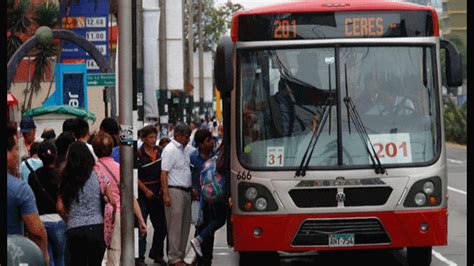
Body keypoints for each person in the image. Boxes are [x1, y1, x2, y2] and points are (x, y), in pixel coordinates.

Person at [57, 141, 116, 266]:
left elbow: (60, 207)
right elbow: (112, 201)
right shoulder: (99, 174)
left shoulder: (66, 176)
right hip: (97, 228)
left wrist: (69, 219)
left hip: (75, 228)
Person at [92, 131, 147, 266]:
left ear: (94, 149)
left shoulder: (93, 170)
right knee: (117, 253)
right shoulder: (121, 168)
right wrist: (141, 220)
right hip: (120, 213)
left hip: (100, 215)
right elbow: (130, 196)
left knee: (104, 255)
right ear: (111, 149)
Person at [7, 124, 50, 265]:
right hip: (12, 255)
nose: (17, 154)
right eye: (15, 150)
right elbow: (36, 232)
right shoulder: (19, 189)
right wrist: (43, 257)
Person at [28, 140, 66, 266]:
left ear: (39, 156)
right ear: (55, 155)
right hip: (59, 220)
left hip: (40, 221)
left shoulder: (33, 177)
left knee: (47, 259)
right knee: (61, 257)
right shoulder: (61, 175)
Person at [161, 122, 193, 266]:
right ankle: (174, 257)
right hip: (174, 191)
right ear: (178, 135)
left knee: (185, 225)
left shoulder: (185, 150)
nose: (188, 139)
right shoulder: (170, 150)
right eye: (186, 136)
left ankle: (180, 255)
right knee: (175, 226)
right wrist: (166, 195)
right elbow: (164, 173)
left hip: (186, 191)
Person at [136, 125, 168, 265]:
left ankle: (157, 253)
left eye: (154, 137)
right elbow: (134, 176)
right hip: (143, 195)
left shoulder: (161, 152)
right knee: (141, 225)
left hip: (158, 193)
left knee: (161, 226)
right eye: (150, 137)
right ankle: (139, 257)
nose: (153, 140)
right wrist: (145, 190)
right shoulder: (138, 154)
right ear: (143, 138)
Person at [186, 129, 217, 265]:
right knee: (201, 226)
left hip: (214, 198)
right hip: (200, 200)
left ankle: (207, 259)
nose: (212, 142)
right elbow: (188, 175)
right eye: (208, 140)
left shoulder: (216, 156)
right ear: (201, 144)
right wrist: (193, 188)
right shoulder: (193, 157)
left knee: (211, 230)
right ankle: (199, 259)